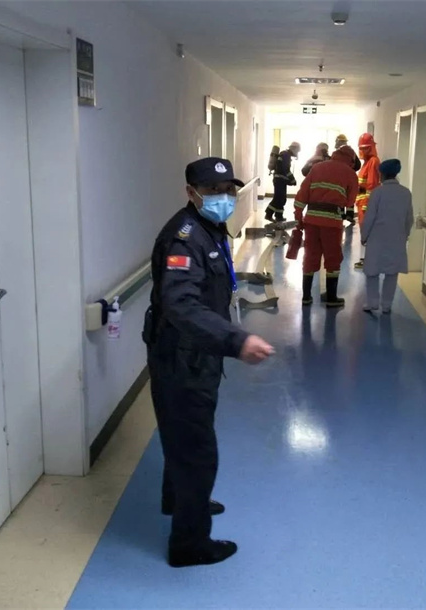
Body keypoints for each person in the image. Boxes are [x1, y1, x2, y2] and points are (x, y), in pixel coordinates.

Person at [143, 157, 274, 568]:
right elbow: (181, 304)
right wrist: (237, 340)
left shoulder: (208, 228)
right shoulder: (184, 238)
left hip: (196, 352)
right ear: (191, 192)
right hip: (183, 356)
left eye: (228, 190)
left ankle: (180, 500)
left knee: (182, 436)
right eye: (212, 191)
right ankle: (190, 544)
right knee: (197, 450)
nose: (223, 198)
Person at [294, 145, 358, 307]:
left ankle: (306, 297)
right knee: (333, 258)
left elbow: (302, 195)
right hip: (332, 222)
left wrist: (299, 218)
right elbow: (350, 201)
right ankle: (331, 298)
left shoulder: (317, 168)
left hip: (311, 221)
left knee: (310, 256)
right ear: (351, 160)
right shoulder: (350, 173)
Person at [360, 158, 414, 316]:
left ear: (382, 174)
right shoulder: (405, 193)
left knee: (372, 272)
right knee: (392, 272)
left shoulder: (378, 192)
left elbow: (370, 217)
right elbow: (409, 218)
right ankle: (386, 305)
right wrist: (405, 234)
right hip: (397, 238)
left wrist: (364, 235)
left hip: (377, 238)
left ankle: (372, 303)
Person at [354, 133, 381, 269]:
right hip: (362, 203)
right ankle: (367, 259)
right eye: (361, 148)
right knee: (365, 232)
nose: (362, 151)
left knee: (369, 232)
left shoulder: (373, 162)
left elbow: (372, 185)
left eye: (365, 148)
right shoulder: (367, 162)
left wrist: (368, 206)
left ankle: (370, 260)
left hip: (366, 203)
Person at [265, 141, 301, 223]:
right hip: (279, 181)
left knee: (282, 198)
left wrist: (289, 180)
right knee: (278, 198)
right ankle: (268, 214)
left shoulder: (285, 154)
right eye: (297, 151)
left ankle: (279, 216)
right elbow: (286, 169)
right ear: (294, 149)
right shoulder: (286, 155)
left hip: (280, 180)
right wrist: (292, 179)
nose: (297, 153)